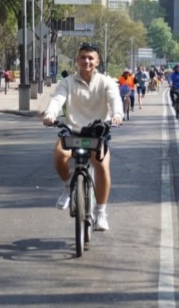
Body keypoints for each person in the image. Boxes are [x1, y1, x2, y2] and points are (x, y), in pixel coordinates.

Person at [42, 43, 123, 232]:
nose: (86, 61)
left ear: (97, 61)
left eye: (90, 58)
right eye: (83, 57)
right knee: (59, 156)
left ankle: (101, 212)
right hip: (72, 130)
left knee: (101, 165)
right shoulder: (67, 82)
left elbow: (115, 99)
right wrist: (50, 114)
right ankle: (67, 187)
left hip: (97, 131)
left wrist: (117, 114)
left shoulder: (106, 82)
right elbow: (57, 100)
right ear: (77, 60)